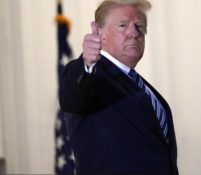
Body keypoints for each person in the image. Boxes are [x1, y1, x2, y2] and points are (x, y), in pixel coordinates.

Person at [59, 0, 178, 174]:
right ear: (100, 33)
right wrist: (86, 64)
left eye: (139, 26)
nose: (133, 33)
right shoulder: (91, 74)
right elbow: (73, 99)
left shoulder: (139, 84)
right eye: (123, 25)